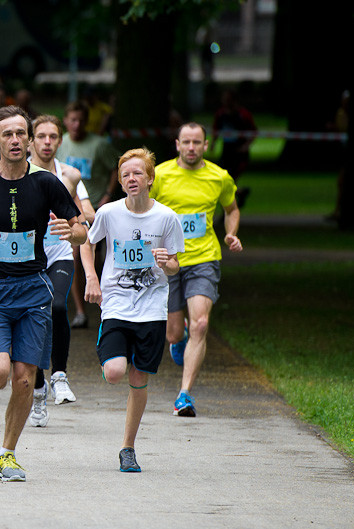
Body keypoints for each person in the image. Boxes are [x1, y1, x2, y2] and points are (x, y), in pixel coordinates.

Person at [0, 105, 86, 482]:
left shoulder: (46, 183)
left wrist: (73, 233)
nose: (16, 140)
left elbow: (81, 227)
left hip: (33, 290)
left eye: (21, 133)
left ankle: (7, 455)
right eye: (7, 134)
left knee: (25, 379)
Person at [81, 147, 184, 472]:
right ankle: (110, 358)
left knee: (139, 377)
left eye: (137, 173)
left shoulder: (167, 217)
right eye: (125, 174)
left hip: (152, 309)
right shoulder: (109, 212)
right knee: (114, 372)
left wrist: (167, 264)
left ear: (150, 178)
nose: (131, 179)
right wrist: (91, 277)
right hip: (116, 305)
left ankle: (128, 447)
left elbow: (175, 267)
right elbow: (87, 242)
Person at [150, 122, 243, 417]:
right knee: (173, 333)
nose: (192, 148)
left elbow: (232, 209)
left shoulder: (219, 177)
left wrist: (231, 233)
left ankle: (184, 395)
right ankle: (179, 338)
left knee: (201, 324)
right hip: (169, 261)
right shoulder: (161, 175)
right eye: (186, 142)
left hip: (204, 257)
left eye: (197, 142)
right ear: (177, 144)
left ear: (205, 145)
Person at [26, 114, 95, 427]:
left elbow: (81, 218)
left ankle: (60, 375)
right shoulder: (17, 174)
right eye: (41, 136)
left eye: (53, 136)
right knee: (34, 316)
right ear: (30, 140)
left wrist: (78, 226)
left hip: (59, 253)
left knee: (56, 306)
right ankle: (38, 389)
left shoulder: (70, 175)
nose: (47, 142)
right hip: (26, 259)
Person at [56, 100, 120, 329]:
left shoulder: (99, 144)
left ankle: (104, 301)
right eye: (72, 120)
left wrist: (107, 195)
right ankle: (81, 311)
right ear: (66, 121)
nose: (76, 124)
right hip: (71, 210)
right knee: (74, 257)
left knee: (100, 258)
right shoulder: (59, 143)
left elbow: (115, 167)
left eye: (81, 120)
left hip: (96, 209)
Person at [211, 88, 256, 207]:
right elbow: (216, 130)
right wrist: (213, 143)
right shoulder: (221, 114)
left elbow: (253, 132)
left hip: (239, 153)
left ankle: (232, 204)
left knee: (228, 180)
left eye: (227, 99)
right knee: (223, 180)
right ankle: (239, 192)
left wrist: (245, 146)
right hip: (227, 151)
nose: (225, 102)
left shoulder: (243, 115)